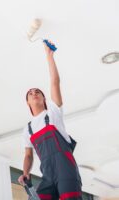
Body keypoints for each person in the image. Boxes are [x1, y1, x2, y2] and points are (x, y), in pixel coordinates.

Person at [18, 41, 82, 200]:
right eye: (30, 93)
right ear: (28, 102)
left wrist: (49, 56)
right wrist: (25, 173)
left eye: (38, 91)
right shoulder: (28, 129)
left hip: (66, 172)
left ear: (44, 98)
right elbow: (28, 155)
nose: (34, 93)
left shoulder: (53, 113)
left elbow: (55, 82)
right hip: (47, 175)